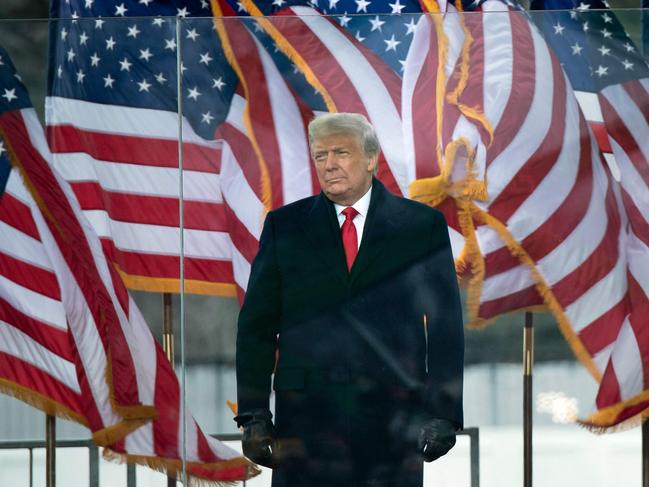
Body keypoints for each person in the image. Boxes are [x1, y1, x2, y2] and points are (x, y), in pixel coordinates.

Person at [234, 113, 464, 487]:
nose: (329, 165)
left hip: (393, 421)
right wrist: (254, 413)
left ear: (371, 159)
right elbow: (256, 328)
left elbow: (445, 329)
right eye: (321, 155)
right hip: (305, 423)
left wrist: (442, 412)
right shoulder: (284, 227)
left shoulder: (421, 227)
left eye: (341, 152)